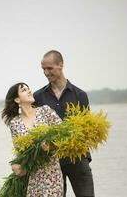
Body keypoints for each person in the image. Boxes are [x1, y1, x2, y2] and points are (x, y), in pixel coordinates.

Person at [34, 50, 95, 197]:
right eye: (43, 69)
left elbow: (86, 129)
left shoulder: (80, 95)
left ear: (60, 65)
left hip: (78, 159)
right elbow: (35, 128)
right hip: (51, 163)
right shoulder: (38, 96)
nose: (46, 72)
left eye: (50, 68)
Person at [1, 82, 64, 197]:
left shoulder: (45, 111)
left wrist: (52, 146)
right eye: (24, 90)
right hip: (32, 176)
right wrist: (17, 165)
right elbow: (20, 151)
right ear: (17, 100)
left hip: (51, 172)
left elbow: (65, 135)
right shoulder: (15, 123)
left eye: (28, 88)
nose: (29, 91)